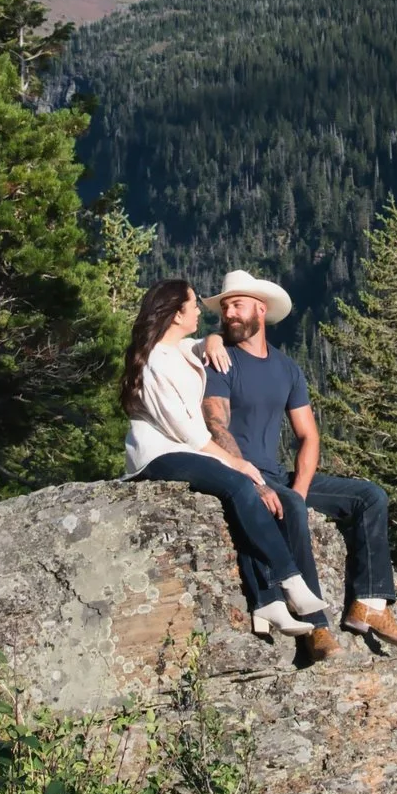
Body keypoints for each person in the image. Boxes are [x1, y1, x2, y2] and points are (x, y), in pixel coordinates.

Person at [203, 271, 397, 653]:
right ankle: (315, 627)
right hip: (240, 473)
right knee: (289, 507)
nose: (229, 313)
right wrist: (252, 479)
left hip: (276, 473)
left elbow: (308, 435)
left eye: (236, 304)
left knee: (369, 496)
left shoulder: (287, 369)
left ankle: (369, 604)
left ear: (261, 309)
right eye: (224, 308)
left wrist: (301, 489)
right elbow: (215, 423)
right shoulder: (220, 360)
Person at [120, 278, 339, 655]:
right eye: (192, 307)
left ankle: (269, 600)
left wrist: (213, 341)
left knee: (253, 491)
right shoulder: (156, 360)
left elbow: (199, 344)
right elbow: (189, 433)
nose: (200, 314)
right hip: (158, 455)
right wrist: (240, 464)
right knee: (240, 486)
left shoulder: (181, 350)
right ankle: (289, 578)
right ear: (175, 315)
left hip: (185, 451)